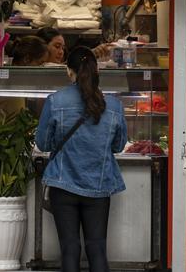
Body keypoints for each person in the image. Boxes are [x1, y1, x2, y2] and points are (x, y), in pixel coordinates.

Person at [36, 46, 128, 272]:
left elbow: (43, 144)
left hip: (63, 185)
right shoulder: (114, 106)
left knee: (69, 248)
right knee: (97, 248)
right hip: (98, 186)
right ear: (96, 70)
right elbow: (118, 145)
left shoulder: (55, 101)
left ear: (69, 72)